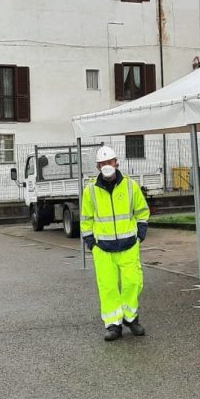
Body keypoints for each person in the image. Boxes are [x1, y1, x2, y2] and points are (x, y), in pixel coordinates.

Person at [80, 145, 151, 341]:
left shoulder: (130, 186)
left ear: (116, 163)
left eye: (109, 162)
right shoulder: (91, 191)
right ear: (97, 166)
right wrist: (90, 242)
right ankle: (113, 324)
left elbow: (142, 212)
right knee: (108, 287)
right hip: (102, 249)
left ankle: (131, 317)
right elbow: (86, 219)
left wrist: (140, 234)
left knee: (133, 283)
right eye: (102, 163)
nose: (106, 166)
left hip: (129, 245)